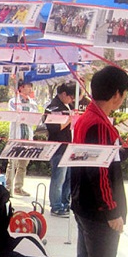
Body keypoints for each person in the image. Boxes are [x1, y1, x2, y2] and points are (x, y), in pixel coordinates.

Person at [70, 66, 128, 257]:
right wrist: (111, 211)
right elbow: (99, 171)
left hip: (85, 205)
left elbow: (106, 160)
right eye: (124, 94)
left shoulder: (90, 119)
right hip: (98, 210)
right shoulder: (98, 124)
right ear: (117, 94)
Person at [45, 81, 76, 217]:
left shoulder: (68, 106)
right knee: (59, 178)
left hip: (69, 147)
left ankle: (65, 202)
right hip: (58, 147)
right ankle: (56, 206)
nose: (72, 100)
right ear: (64, 94)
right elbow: (54, 128)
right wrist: (69, 119)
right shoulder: (53, 107)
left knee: (68, 178)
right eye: (71, 97)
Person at [6, 79, 39, 197]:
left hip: (27, 137)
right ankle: (8, 187)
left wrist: (24, 117)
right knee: (12, 164)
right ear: (20, 88)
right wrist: (25, 117)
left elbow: (35, 119)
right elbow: (15, 117)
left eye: (30, 86)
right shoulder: (13, 101)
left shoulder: (32, 103)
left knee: (23, 164)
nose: (29, 89)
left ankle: (18, 187)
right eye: (27, 86)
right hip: (16, 136)